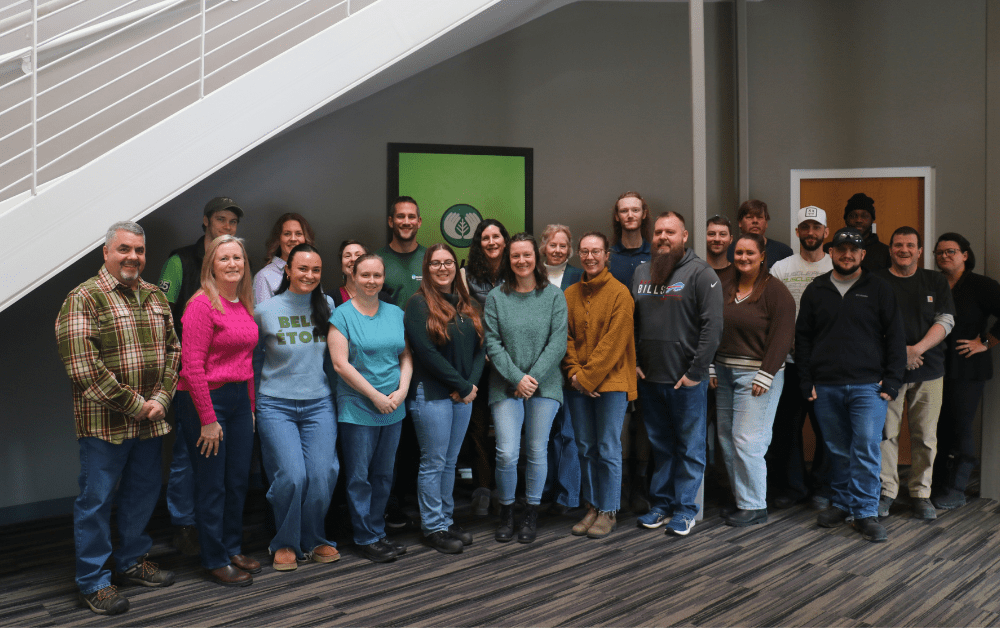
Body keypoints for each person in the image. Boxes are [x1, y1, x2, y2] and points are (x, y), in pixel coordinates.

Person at [56, 221, 179, 616]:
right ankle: (93, 581)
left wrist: (161, 398)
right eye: (124, 249)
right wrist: (136, 405)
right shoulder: (84, 298)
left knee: (142, 494)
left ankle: (131, 561)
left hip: (151, 420)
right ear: (106, 252)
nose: (133, 257)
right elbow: (83, 367)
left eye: (139, 250)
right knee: (96, 501)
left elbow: (174, 352)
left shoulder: (155, 296)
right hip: (104, 425)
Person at [796, 227, 905, 543]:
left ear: (862, 254)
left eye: (853, 250)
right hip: (826, 386)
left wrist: (892, 380)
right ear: (831, 252)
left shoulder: (879, 288)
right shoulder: (816, 289)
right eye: (841, 249)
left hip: (868, 386)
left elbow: (895, 337)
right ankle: (843, 503)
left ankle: (865, 512)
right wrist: (806, 380)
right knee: (838, 450)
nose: (847, 255)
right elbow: (803, 339)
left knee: (866, 447)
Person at [158, 196, 243, 556]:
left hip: (228, 384)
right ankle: (184, 525)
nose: (227, 226)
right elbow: (161, 313)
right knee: (185, 456)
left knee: (219, 469)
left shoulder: (236, 275)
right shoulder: (180, 261)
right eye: (221, 219)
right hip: (191, 376)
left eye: (233, 222)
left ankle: (217, 536)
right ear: (206, 221)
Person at [174, 234, 260, 586]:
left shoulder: (243, 303)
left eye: (237, 257)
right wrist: (208, 420)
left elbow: (247, 362)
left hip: (239, 400)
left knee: (237, 481)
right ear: (211, 264)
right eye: (224, 258)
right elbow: (191, 366)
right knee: (212, 485)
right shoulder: (201, 304)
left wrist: (250, 408)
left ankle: (231, 547)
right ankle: (214, 558)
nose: (232, 264)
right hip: (205, 400)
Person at [633, 212, 723, 536]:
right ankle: (661, 506)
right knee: (661, 447)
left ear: (684, 236)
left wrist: (696, 372)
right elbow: (632, 321)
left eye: (670, 232)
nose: (663, 237)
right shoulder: (642, 272)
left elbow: (713, 327)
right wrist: (634, 361)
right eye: (658, 232)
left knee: (689, 448)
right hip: (650, 378)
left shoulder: (701, 273)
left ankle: (685, 511)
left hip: (686, 380)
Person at [253, 243, 340, 571]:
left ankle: (315, 538)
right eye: (302, 268)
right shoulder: (265, 310)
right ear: (288, 270)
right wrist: (253, 405)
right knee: (291, 476)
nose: (309, 275)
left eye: (316, 270)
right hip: (276, 405)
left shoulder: (327, 305)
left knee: (322, 474)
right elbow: (253, 360)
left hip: (319, 404)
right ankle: (285, 542)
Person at [328, 253, 413, 563]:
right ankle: (364, 536)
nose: (372, 281)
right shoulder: (341, 315)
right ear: (353, 275)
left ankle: (378, 531)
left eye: (377, 275)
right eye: (365, 275)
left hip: (393, 406)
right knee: (359, 477)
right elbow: (340, 365)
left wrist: (402, 390)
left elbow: (405, 355)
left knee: (384, 474)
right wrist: (376, 396)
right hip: (359, 407)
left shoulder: (395, 312)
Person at [484, 233, 568, 544]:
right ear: (508, 260)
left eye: (527, 255)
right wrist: (516, 378)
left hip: (544, 386)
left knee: (536, 450)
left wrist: (530, 379)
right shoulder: (496, 297)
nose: (521, 261)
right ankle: (506, 511)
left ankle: (531, 512)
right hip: (505, 385)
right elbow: (493, 343)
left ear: (537, 258)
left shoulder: (554, 297)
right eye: (515, 256)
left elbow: (557, 343)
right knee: (507, 453)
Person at [404, 244, 486, 554]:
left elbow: (481, 348)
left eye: (448, 262)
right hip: (432, 394)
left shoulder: (469, 304)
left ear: (456, 267)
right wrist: (461, 385)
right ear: (426, 269)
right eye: (435, 263)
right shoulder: (418, 304)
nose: (442, 268)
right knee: (433, 462)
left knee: (450, 462)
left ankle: (446, 520)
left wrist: (470, 385)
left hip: (462, 396)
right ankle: (433, 526)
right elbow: (426, 353)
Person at [712, 233, 795, 527]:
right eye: (739, 253)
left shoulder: (776, 291)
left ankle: (754, 505)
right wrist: (710, 365)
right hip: (723, 372)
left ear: (762, 257)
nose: (744, 258)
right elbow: (711, 326)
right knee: (727, 439)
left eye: (750, 253)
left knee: (748, 440)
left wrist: (767, 373)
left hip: (757, 375)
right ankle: (741, 500)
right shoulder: (724, 286)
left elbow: (784, 336)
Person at [875, 227, 955, 520]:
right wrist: (901, 354)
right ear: (890, 250)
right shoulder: (876, 281)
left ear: (920, 251)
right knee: (885, 435)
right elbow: (869, 324)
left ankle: (921, 493)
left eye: (910, 245)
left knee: (925, 436)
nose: (904, 250)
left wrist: (916, 349)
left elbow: (946, 321)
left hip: (929, 370)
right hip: (887, 372)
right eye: (898, 245)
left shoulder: (934, 280)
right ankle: (886, 492)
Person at [562, 231, 637, 538]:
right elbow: (565, 339)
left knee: (607, 447)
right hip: (578, 383)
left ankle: (609, 510)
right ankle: (592, 506)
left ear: (607, 256)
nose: (590, 257)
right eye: (584, 251)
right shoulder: (569, 294)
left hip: (612, 384)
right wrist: (575, 375)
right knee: (585, 447)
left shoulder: (621, 294)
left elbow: (614, 343)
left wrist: (586, 378)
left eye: (596, 251)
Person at [767, 206, 833, 510]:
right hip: (790, 364)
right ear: (797, 232)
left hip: (827, 366)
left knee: (827, 429)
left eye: (816, 227)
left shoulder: (836, 266)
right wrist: (788, 341)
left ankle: (822, 488)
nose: (810, 232)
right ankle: (793, 487)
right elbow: (771, 311)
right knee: (788, 429)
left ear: (825, 232)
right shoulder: (781, 268)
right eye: (805, 227)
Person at [931, 233, 1000, 509]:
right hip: (936, 366)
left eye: (950, 251)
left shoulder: (982, 285)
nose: (944, 256)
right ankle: (935, 484)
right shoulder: (933, 283)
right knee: (938, 429)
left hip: (968, 369)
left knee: (960, 428)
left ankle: (957, 488)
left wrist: (985, 342)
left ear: (965, 255)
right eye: (939, 252)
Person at [460, 218, 511, 515]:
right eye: (485, 238)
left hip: (509, 362)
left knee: (506, 429)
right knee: (477, 427)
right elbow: (465, 315)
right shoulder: (466, 275)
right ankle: (482, 487)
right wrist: (485, 349)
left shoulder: (516, 270)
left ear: (505, 241)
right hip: (479, 359)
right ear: (479, 244)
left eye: (496, 236)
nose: (491, 242)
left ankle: (505, 490)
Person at [608, 191, 654, 514]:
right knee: (616, 425)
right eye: (624, 210)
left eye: (635, 210)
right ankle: (617, 487)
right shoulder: (608, 256)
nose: (630, 215)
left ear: (644, 214)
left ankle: (641, 487)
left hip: (649, 351)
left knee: (646, 425)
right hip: (615, 351)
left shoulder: (657, 254)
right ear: (617, 216)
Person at [540, 224, 583, 516]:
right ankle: (543, 490)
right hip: (539, 367)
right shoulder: (530, 274)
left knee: (569, 433)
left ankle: (568, 495)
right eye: (553, 244)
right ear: (543, 246)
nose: (557, 250)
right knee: (542, 434)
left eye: (563, 245)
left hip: (569, 364)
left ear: (570, 249)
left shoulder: (579, 276)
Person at [253, 213, 315, 304]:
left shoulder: (312, 274)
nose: (293, 239)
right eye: (287, 234)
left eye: (298, 234)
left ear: (305, 239)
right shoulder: (264, 277)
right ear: (278, 239)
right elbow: (262, 313)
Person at [378, 196, 426, 308]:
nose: (406, 222)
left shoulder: (430, 258)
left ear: (419, 222)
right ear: (391, 221)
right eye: (400, 216)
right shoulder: (376, 260)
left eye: (411, 217)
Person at [725, 200, 793, 269]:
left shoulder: (783, 251)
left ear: (766, 223)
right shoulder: (728, 251)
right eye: (749, 217)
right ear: (740, 223)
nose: (755, 221)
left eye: (759, 217)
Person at [844, 193, 890, 272]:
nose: (859, 220)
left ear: (872, 220)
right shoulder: (832, 249)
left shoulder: (885, 252)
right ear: (846, 220)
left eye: (864, 216)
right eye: (853, 216)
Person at [333, 240, 368, 307]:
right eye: (347, 256)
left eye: (358, 255)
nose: (353, 259)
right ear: (341, 264)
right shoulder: (330, 299)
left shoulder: (383, 298)